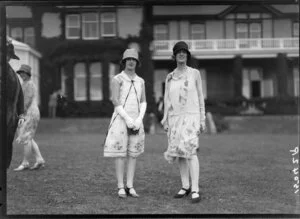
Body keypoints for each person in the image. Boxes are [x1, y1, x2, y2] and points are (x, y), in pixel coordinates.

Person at [161, 41, 206, 203]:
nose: (181, 54)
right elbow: (167, 100)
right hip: (175, 118)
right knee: (179, 152)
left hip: (191, 118)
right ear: (174, 55)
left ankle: (195, 189)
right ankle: (185, 186)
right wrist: (165, 119)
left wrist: (202, 118)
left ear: (187, 55)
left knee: (191, 151)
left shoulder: (195, 73)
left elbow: (200, 96)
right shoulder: (170, 77)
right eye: (178, 52)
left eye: (184, 52)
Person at [104, 48, 147, 198]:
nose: (131, 62)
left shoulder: (141, 81)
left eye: (134, 59)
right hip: (121, 121)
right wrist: (127, 119)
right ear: (124, 61)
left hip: (136, 122)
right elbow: (115, 101)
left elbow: (143, 102)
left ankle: (130, 185)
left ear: (137, 62)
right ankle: (120, 186)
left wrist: (139, 119)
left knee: (133, 154)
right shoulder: (117, 79)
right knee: (120, 154)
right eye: (128, 59)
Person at [14, 64, 45, 171]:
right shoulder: (25, 83)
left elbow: (26, 101)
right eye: (20, 73)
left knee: (26, 138)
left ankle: (25, 162)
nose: (22, 74)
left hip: (30, 113)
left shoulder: (29, 84)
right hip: (29, 112)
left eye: (23, 73)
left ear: (28, 74)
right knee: (29, 137)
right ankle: (39, 159)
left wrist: (20, 114)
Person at [5, 41, 25, 169]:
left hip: (10, 119)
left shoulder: (13, 74)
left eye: (8, 56)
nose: (7, 58)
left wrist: (21, 114)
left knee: (7, 146)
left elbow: (20, 96)